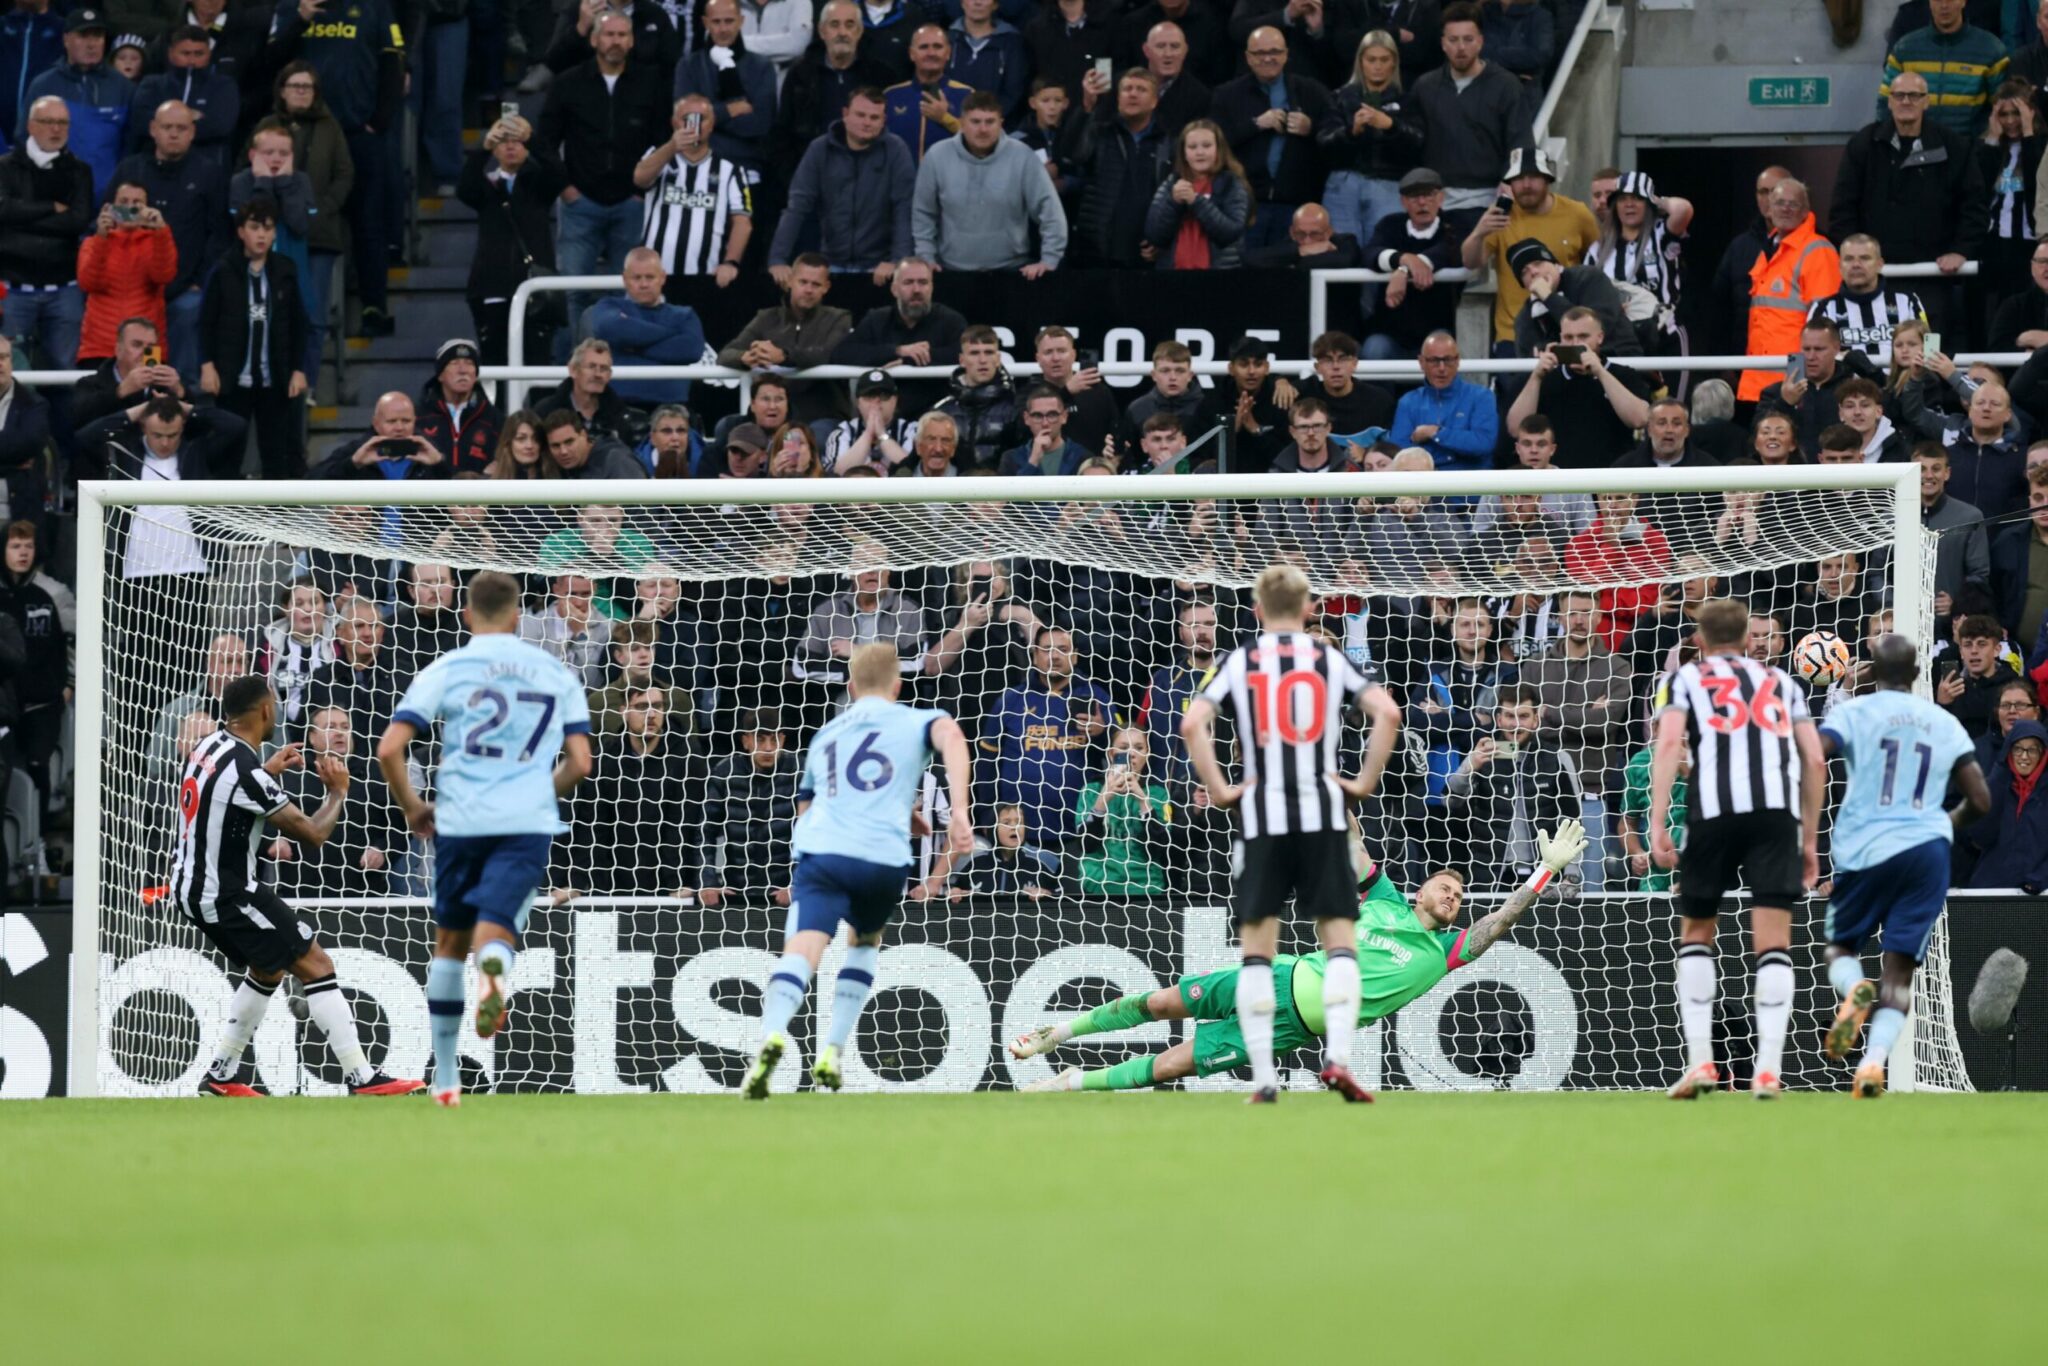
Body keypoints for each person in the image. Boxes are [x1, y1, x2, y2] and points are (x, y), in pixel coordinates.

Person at [1014, 819, 1586, 1092]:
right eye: (1444, 885)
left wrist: (1544, 873)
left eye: (1459, 895)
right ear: (1419, 891)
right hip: (1278, 976)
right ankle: (1060, 1032)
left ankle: (1066, 1084)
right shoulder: (1383, 899)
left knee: (1168, 1066)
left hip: (1292, 1026)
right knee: (1163, 1001)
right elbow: (1353, 845)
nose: (1453, 894)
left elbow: (1498, 920)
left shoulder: (1447, 951)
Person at [1181, 563, 1404, 1103]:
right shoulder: (1327, 658)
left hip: (1263, 818)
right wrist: (1362, 783)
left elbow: (1193, 723)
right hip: (1324, 814)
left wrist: (1221, 789)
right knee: (1340, 943)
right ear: (1310, 610)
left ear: (1256, 611)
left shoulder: (1241, 660)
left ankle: (1262, 1079)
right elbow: (1388, 714)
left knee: (1258, 950)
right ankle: (1340, 1060)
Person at [376, 570, 595, 1107]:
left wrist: (412, 807)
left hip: (460, 818)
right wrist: (539, 790)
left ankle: (447, 1076)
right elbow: (581, 763)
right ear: (519, 616)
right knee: (497, 929)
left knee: (448, 943)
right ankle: (495, 970)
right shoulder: (554, 670)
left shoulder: (447, 668)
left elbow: (388, 750)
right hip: (524, 822)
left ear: (468, 614)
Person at [742, 641, 972, 1097]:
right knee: (863, 942)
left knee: (802, 950)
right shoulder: (914, 718)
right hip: (883, 861)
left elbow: (809, 806)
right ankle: (832, 1048)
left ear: (849, 686)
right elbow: (952, 736)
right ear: (899, 684)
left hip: (825, 856)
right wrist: (958, 811)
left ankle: (770, 1034)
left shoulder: (826, 734)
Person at [183, 675, 422, 1097]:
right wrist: (337, 792)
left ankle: (221, 1075)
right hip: (228, 893)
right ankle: (360, 1077)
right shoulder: (247, 773)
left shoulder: (208, 745)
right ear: (264, 711)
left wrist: (267, 771)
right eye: (274, 703)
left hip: (194, 883)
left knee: (268, 968)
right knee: (317, 964)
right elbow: (312, 835)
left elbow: (229, 791)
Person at [1649, 598, 1827, 1100]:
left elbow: (1666, 746)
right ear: (1750, 638)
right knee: (1773, 940)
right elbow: (1814, 761)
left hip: (1714, 811)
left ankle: (1702, 1061)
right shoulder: (1784, 683)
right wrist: (1809, 839)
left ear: (1699, 642)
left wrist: (1658, 819)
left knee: (1698, 931)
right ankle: (1768, 1068)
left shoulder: (1684, 679)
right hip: (1775, 816)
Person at [1818, 634, 1991, 1097]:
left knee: (1839, 949)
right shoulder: (1943, 722)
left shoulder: (1853, 713)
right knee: (1899, 971)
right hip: (1927, 850)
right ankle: (1874, 1064)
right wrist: (1940, 825)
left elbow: (1815, 755)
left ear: (1871, 670)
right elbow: (1980, 799)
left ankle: (1855, 990)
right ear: (1917, 675)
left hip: (1866, 847)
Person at [266, 0, 405, 336]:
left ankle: (373, 307)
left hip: (359, 131)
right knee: (299, 222)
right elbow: (269, 60)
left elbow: (393, 61)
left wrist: (380, 121)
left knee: (368, 222)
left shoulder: (375, 7)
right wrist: (300, 19)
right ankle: (297, 311)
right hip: (301, 132)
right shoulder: (290, 7)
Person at [537, 9, 669, 326]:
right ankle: (574, 366)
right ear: (595, 39)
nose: (616, 42)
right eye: (609, 35)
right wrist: (565, 190)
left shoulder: (651, 83)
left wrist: (641, 192)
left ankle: (618, 367)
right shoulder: (568, 83)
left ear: (633, 41)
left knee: (629, 293)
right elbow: (543, 143)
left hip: (632, 203)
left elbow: (663, 141)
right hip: (580, 203)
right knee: (573, 292)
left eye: (622, 35)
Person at [1830, 70, 1983, 335]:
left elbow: (1974, 204)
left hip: (1933, 277)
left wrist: (1961, 249)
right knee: (1880, 343)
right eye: (1899, 95)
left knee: (1931, 345)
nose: (1906, 101)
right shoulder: (1864, 144)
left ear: (1927, 102)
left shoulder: (1953, 146)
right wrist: (1857, 255)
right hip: (1875, 278)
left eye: (1914, 95)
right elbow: (1842, 206)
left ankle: (1926, 379)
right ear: (1889, 101)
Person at [111, 99, 224, 385]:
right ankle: (132, 415)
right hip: (135, 290)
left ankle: (181, 416)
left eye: (181, 128)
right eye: (167, 127)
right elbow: (107, 222)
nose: (173, 134)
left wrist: (201, 280)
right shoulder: (130, 170)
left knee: (181, 369)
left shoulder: (209, 173)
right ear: (152, 129)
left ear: (192, 133)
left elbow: (218, 233)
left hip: (185, 289)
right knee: (136, 370)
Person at [198, 197, 308, 479]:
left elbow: (298, 324)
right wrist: (207, 364)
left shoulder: (285, 270)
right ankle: (227, 517)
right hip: (233, 378)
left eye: (268, 228)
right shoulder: (222, 270)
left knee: (277, 453)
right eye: (255, 227)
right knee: (229, 452)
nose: (262, 235)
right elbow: (206, 322)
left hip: (276, 378)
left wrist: (298, 368)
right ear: (241, 231)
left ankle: (277, 518)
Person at [1462, 144, 1599, 353]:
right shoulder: (1499, 216)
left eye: (1533, 177)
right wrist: (1479, 232)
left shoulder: (1577, 213)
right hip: (1512, 334)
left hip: (1567, 330)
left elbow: (1598, 263)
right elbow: (1471, 262)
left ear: (1547, 179)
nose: (1526, 184)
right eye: (1518, 179)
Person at [912, 90, 1067, 275]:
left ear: (1001, 123)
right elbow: (923, 213)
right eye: (975, 121)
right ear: (962, 122)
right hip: (951, 271)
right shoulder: (936, 156)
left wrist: (1049, 260)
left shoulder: (1023, 156)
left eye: (990, 121)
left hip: (1012, 271)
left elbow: (1050, 211)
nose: (983, 129)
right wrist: (926, 257)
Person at [771, 87, 914, 284]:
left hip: (880, 267)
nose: (866, 123)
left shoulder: (896, 150)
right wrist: (777, 259)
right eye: (860, 115)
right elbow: (797, 206)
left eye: (874, 118)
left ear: (883, 121)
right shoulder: (820, 149)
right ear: (845, 114)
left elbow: (903, 208)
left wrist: (898, 261)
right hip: (831, 264)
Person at [1410, 3, 1530, 235]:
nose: (1461, 48)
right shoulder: (1425, 87)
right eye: (1453, 40)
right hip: (1436, 199)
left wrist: (1510, 182)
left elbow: (1520, 142)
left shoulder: (1506, 85)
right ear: (1443, 43)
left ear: (1481, 41)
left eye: (1468, 39)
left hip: (1488, 197)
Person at [1211, 26, 1333, 252]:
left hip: (1297, 208)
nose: (1268, 58)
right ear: (1248, 57)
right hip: (1245, 207)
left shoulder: (1312, 91)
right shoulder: (1226, 95)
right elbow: (1213, 145)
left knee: (1289, 282)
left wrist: (1311, 128)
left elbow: (1334, 139)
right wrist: (1255, 125)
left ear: (1286, 54)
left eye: (1275, 52)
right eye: (1259, 53)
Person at [458, 115, 566, 366]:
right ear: (494, 149)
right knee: (495, 364)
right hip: (492, 285)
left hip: (535, 289)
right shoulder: (485, 187)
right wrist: (481, 151)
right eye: (503, 141)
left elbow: (559, 175)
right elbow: (464, 190)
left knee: (537, 364)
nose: (510, 146)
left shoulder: (539, 183)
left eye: (517, 141)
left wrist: (534, 139)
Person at [0, 95, 92, 368]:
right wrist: (51, 207)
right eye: (48, 122)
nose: (56, 129)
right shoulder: (4, 168)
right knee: (7, 372)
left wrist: (21, 216)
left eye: (62, 123)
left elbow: (78, 221)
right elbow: (2, 211)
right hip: (12, 288)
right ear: (30, 125)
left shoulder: (80, 171)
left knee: (65, 373)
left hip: (64, 290)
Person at [1504, 307, 1653, 468]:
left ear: (1600, 337)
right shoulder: (1544, 377)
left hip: (1610, 481)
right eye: (1568, 337)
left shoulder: (1622, 374)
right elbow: (1515, 429)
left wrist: (1600, 373)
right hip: (1559, 483)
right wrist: (1536, 377)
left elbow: (1640, 419)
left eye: (1583, 337)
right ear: (1560, 338)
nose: (1575, 344)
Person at [1738, 178, 1843, 404]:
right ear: (1768, 208)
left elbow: (1824, 324)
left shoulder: (1817, 251)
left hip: (1795, 379)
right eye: (1779, 203)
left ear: (1806, 210)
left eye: (1793, 204)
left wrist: (1802, 378)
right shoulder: (1769, 250)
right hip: (1760, 377)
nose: (1785, 209)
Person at [716, 254, 855, 425]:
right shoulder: (766, 317)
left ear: (826, 287)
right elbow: (725, 355)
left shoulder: (839, 318)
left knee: (814, 435)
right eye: (803, 282)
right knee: (726, 426)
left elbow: (829, 353)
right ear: (789, 281)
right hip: (771, 415)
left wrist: (783, 356)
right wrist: (745, 357)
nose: (808, 289)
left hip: (823, 415)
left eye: (816, 284)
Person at [632, 95, 753, 290]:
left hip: (704, 276)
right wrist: (672, 146)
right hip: (655, 277)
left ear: (712, 124)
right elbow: (640, 178)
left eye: (701, 118)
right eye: (686, 118)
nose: (693, 124)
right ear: (674, 123)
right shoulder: (659, 156)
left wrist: (731, 262)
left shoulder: (731, 171)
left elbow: (742, 222)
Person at [1317, 29, 1422, 245]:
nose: (1378, 65)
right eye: (1371, 59)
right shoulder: (1339, 98)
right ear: (1361, 61)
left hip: (1388, 184)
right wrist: (1351, 132)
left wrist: (1391, 126)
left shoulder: (1408, 101)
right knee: (1342, 256)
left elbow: (1419, 142)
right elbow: (1323, 143)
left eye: (1384, 59)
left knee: (1383, 253)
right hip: (1343, 184)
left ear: (1394, 62)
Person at [831, 255, 964, 412]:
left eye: (923, 282)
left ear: (932, 288)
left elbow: (964, 353)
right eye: (908, 282)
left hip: (938, 418)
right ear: (894, 289)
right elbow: (843, 353)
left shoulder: (950, 320)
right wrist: (896, 351)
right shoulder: (877, 319)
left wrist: (909, 360)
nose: (916, 290)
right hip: (883, 414)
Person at [24, 7, 133, 200]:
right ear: (66, 39)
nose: (92, 44)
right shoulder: (44, 84)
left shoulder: (123, 87)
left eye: (97, 36)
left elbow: (132, 145)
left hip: (105, 199)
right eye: (83, 36)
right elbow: (24, 138)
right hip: (53, 198)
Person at [1070, 66, 1171, 269]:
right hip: (1097, 251)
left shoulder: (1168, 143)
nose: (1132, 94)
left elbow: (1172, 201)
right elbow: (1072, 155)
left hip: (1147, 253)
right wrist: (1086, 108)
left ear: (1154, 101)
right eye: (1127, 89)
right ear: (1118, 98)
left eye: (1141, 89)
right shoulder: (1100, 133)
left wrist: (1162, 238)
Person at [1583, 170, 1691, 355]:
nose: (1629, 205)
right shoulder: (1598, 250)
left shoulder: (1660, 235)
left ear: (1648, 203)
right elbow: (1585, 294)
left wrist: (1658, 200)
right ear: (1615, 205)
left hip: (1665, 337)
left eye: (1637, 198)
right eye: (1623, 199)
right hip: (1619, 340)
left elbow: (1684, 210)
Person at [582, 248, 706, 409]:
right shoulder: (608, 305)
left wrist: (631, 346)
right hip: (617, 406)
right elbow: (610, 328)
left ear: (662, 278)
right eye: (637, 278)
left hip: (672, 409)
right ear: (625, 279)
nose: (643, 284)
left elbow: (691, 349)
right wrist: (670, 332)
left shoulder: (685, 314)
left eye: (650, 277)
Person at [1360, 166, 1461, 360]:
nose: (1422, 202)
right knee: (1374, 349)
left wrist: (1405, 269)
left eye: (1429, 195)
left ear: (1441, 198)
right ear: (1403, 202)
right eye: (1414, 197)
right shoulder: (1390, 224)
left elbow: (1452, 250)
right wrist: (1404, 259)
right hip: (1391, 333)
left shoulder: (1453, 224)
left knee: (1442, 350)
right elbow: (1370, 253)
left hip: (1437, 328)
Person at [673, 0, 778, 180]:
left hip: (747, 165)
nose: (723, 29)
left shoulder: (762, 66)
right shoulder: (689, 66)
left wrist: (708, 116)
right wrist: (729, 110)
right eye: (716, 22)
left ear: (741, 21)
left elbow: (759, 125)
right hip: (697, 164)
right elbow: (689, 124)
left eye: (729, 21)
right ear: (706, 23)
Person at [1881, 0, 2009, 138]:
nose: (1944, 6)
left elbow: (2002, 107)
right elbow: (1885, 102)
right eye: (1937, 0)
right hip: (1916, 149)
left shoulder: (1991, 49)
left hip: (1970, 150)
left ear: (1963, 2)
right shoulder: (1904, 49)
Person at [779, 2, 889, 155]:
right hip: (812, 169)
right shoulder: (800, 74)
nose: (842, 32)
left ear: (860, 31)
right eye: (834, 25)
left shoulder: (880, 75)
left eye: (849, 25)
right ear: (822, 31)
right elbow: (783, 132)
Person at [1142, 118, 1251, 269]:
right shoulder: (1171, 183)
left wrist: (1196, 201)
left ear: (1219, 150)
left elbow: (1230, 233)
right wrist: (1173, 203)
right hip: (1172, 276)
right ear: (1184, 153)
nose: (1200, 152)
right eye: (1192, 147)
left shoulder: (1232, 184)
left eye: (1207, 146)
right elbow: (1154, 235)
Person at [1807, 233, 1927, 368]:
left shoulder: (1907, 301)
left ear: (1880, 264)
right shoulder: (1824, 308)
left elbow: (1930, 346)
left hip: (1899, 386)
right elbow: (1809, 356)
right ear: (1840, 266)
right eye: (1849, 259)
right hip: (1846, 387)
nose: (1856, 265)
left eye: (1864, 258)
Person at [128, 25, 237, 168]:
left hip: (206, 169)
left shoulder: (223, 85)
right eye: (185, 53)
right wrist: (188, 117)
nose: (192, 60)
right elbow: (141, 120)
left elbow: (220, 125)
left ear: (209, 54)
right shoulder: (153, 84)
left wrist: (165, 122)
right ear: (171, 53)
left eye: (199, 54)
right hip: (154, 167)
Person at [1389, 330, 1495, 471]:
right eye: (1434, 360)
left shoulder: (1482, 397)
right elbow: (1400, 452)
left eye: (1448, 360)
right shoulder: (1408, 402)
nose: (1442, 368)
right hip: (1423, 486)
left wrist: (1434, 432)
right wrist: (1454, 451)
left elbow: (1482, 444)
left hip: (1471, 486)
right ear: (1421, 362)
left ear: (1457, 361)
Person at [881, 23, 970, 160]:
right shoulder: (891, 95)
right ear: (912, 54)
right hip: (902, 179)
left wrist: (946, 119)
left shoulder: (967, 95)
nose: (931, 53)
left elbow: (980, 139)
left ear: (948, 53)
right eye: (924, 47)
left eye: (937, 47)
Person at [314, 391, 447, 481]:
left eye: (406, 421)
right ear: (376, 424)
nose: (399, 428)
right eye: (391, 421)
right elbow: (311, 482)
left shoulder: (429, 452)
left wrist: (439, 465)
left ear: (414, 421)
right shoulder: (358, 451)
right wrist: (353, 464)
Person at [0, 338, 52, 523]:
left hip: (19, 516)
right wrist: (10, 465)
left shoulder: (33, 404)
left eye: (4, 357)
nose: (0, 364)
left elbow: (30, 444)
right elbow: (17, 448)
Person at [1241, 200, 1362, 268]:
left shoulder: (1345, 241)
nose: (1307, 241)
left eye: (1315, 234)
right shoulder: (1289, 244)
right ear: (1292, 232)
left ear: (1329, 231)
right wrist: (1301, 251)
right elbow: (1249, 258)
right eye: (1300, 234)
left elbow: (1346, 260)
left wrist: (1291, 260)